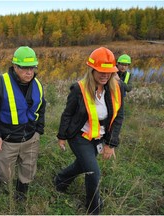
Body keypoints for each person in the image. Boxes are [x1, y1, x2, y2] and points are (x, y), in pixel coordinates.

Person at [54, 47, 124, 214]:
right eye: (101, 71)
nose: (105, 75)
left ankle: (60, 180)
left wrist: (110, 143)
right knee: (93, 172)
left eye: (109, 72)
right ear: (92, 69)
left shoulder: (117, 88)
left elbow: (118, 116)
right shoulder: (79, 89)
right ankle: (94, 208)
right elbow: (67, 114)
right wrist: (61, 136)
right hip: (79, 136)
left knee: (82, 165)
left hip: (99, 138)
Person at [0, 46, 46, 201]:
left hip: (31, 138)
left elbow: (42, 107)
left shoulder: (37, 84)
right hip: (7, 139)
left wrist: (39, 130)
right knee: (6, 174)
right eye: (24, 68)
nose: (29, 72)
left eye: (32, 68)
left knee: (28, 169)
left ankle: (21, 193)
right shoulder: (0, 83)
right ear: (15, 66)